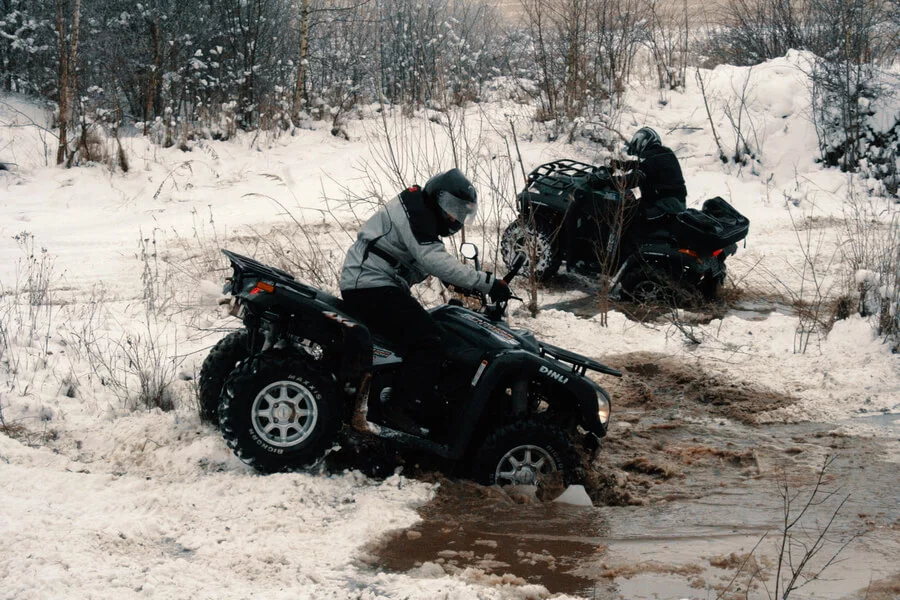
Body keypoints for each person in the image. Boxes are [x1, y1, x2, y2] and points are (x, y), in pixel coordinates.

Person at [340, 168, 511, 434]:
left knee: (432, 328)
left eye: (462, 212)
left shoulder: (420, 212)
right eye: (451, 207)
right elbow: (433, 258)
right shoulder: (417, 212)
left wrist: (457, 282)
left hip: (374, 284)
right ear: (436, 196)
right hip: (369, 285)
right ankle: (399, 408)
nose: (455, 217)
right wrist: (486, 282)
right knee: (429, 340)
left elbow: (426, 258)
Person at [615, 127, 687, 230]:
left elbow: (639, 174)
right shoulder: (662, 154)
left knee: (628, 215)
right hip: (670, 203)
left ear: (644, 140)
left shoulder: (656, 155)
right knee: (630, 204)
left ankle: (624, 245)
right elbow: (641, 166)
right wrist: (619, 165)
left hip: (667, 206)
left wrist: (613, 181)